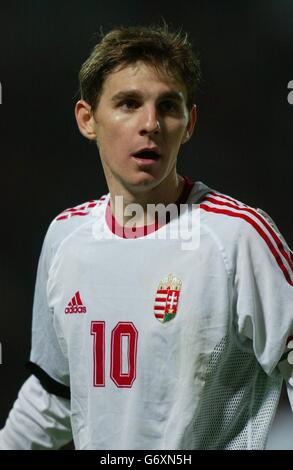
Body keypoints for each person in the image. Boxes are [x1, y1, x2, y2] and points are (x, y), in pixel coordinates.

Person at [0, 23, 292, 450]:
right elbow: (56, 395)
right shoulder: (65, 236)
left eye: (168, 106)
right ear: (87, 119)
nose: (151, 123)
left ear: (189, 123)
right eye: (129, 103)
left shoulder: (237, 237)